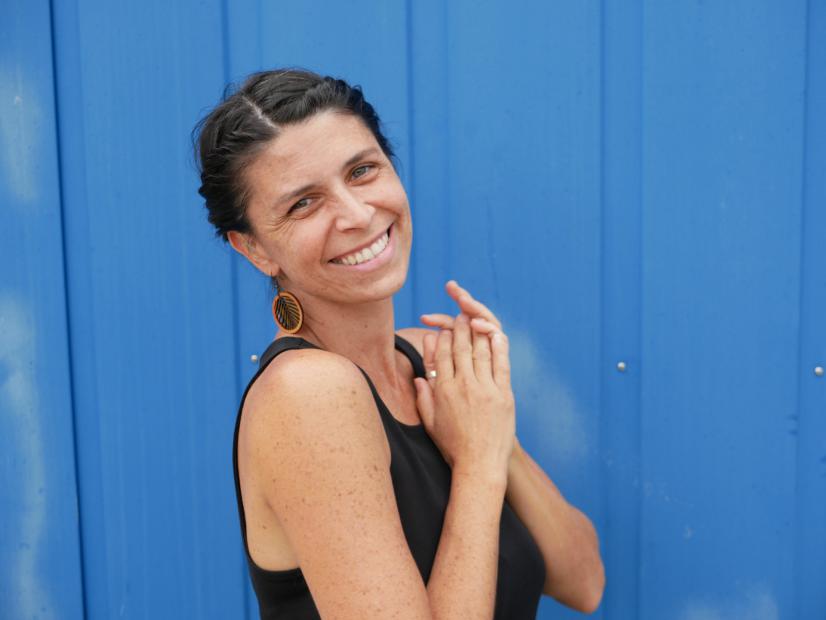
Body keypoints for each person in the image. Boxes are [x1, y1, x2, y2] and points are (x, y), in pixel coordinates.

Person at [193, 68, 604, 619]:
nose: (358, 215)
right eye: (303, 204)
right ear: (254, 249)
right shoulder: (308, 396)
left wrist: (494, 433)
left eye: (362, 171)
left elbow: (584, 583)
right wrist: (479, 465)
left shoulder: (431, 363)